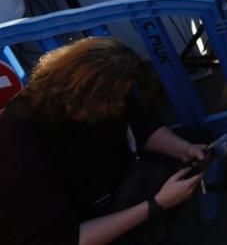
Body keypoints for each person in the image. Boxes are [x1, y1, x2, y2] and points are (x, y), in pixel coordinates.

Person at [0, 37, 206, 245]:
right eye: (113, 100)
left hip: (115, 186)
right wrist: (155, 205)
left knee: (198, 143)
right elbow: (63, 238)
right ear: (81, 96)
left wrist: (183, 149)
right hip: (74, 226)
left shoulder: (104, 93)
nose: (119, 105)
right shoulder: (20, 145)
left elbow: (140, 124)